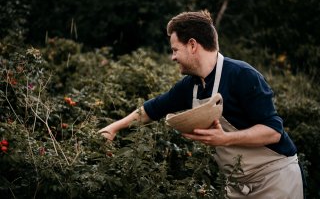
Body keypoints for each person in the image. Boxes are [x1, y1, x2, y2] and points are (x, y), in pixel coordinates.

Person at [98, 10, 304, 198]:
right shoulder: (191, 85)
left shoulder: (243, 75)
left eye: (175, 49)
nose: (172, 57)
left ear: (193, 45)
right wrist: (114, 128)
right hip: (237, 186)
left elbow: (273, 131)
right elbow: (153, 109)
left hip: (276, 179)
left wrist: (226, 139)